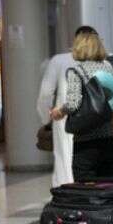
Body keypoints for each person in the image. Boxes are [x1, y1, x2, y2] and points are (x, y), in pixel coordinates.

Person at [52, 29, 113, 181]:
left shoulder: (77, 71)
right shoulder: (111, 69)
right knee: (108, 185)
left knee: (85, 187)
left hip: (86, 140)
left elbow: (73, 103)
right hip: (109, 138)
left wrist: (59, 112)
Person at [37, 27, 87, 186]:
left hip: (64, 118)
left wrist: (46, 119)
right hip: (95, 119)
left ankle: (66, 196)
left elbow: (46, 93)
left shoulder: (59, 60)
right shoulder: (102, 62)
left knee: (65, 160)